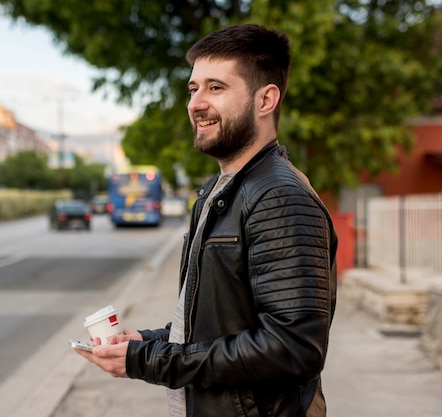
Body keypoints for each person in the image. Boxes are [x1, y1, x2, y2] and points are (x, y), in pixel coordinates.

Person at [73, 23, 338, 417]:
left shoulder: (279, 197)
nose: (196, 103)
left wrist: (147, 360)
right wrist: (144, 342)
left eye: (216, 88)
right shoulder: (219, 192)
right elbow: (219, 327)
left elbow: (292, 349)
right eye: (193, 88)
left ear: (265, 100)